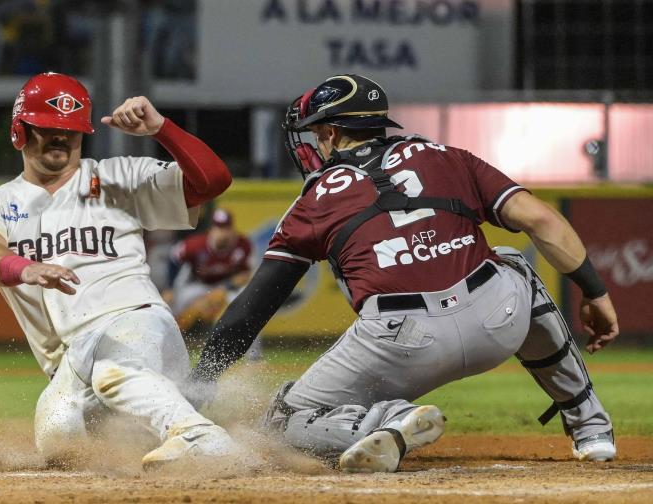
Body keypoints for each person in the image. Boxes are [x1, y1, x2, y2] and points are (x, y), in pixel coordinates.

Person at [189, 74, 619, 472]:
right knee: (514, 263)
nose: (316, 145)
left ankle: (389, 420)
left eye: (317, 134)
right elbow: (542, 221)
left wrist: (203, 377)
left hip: (401, 345)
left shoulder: (314, 201)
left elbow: (252, 310)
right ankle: (591, 428)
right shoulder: (447, 156)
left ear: (332, 132)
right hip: (496, 320)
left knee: (280, 421)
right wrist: (595, 293)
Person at [0, 73, 238, 469]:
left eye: (71, 131)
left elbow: (213, 181)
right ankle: (168, 420)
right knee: (61, 442)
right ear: (19, 131)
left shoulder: (118, 176)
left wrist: (162, 130)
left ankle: (201, 436)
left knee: (113, 372)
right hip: (70, 363)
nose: (61, 138)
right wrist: (26, 268)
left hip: (133, 323)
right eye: (48, 129)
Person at [162, 208, 262, 359]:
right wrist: (169, 288)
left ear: (232, 229)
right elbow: (174, 258)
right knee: (169, 306)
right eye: (218, 227)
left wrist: (224, 289)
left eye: (226, 228)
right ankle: (166, 351)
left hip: (226, 287)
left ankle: (255, 357)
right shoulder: (197, 244)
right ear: (212, 229)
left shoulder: (243, 245)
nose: (222, 232)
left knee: (247, 307)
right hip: (197, 286)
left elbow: (247, 275)